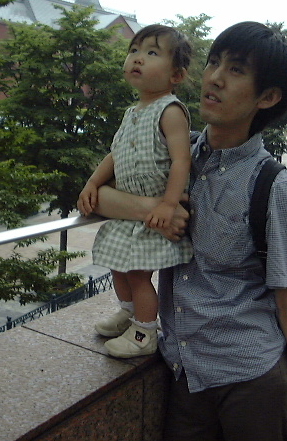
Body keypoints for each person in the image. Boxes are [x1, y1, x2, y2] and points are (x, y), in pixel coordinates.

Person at [79, 21, 287, 441]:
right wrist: (157, 209)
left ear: (267, 97)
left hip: (250, 378)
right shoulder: (176, 151)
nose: (214, 78)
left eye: (236, 70)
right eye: (213, 62)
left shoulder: (275, 188)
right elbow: (98, 199)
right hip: (183, 369)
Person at [78, 25, 194, 359]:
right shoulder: (132, 112)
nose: (138, 59)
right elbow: (115, 154)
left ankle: (144, 332)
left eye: (152, 53)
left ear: (175, 75)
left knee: (140, 276)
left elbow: (181, 160)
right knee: (118, 266)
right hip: (131, 213)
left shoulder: (170, 110)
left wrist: (168, 203)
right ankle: (128, 314)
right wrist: (92, 182)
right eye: (134, 51)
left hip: (154, 214)